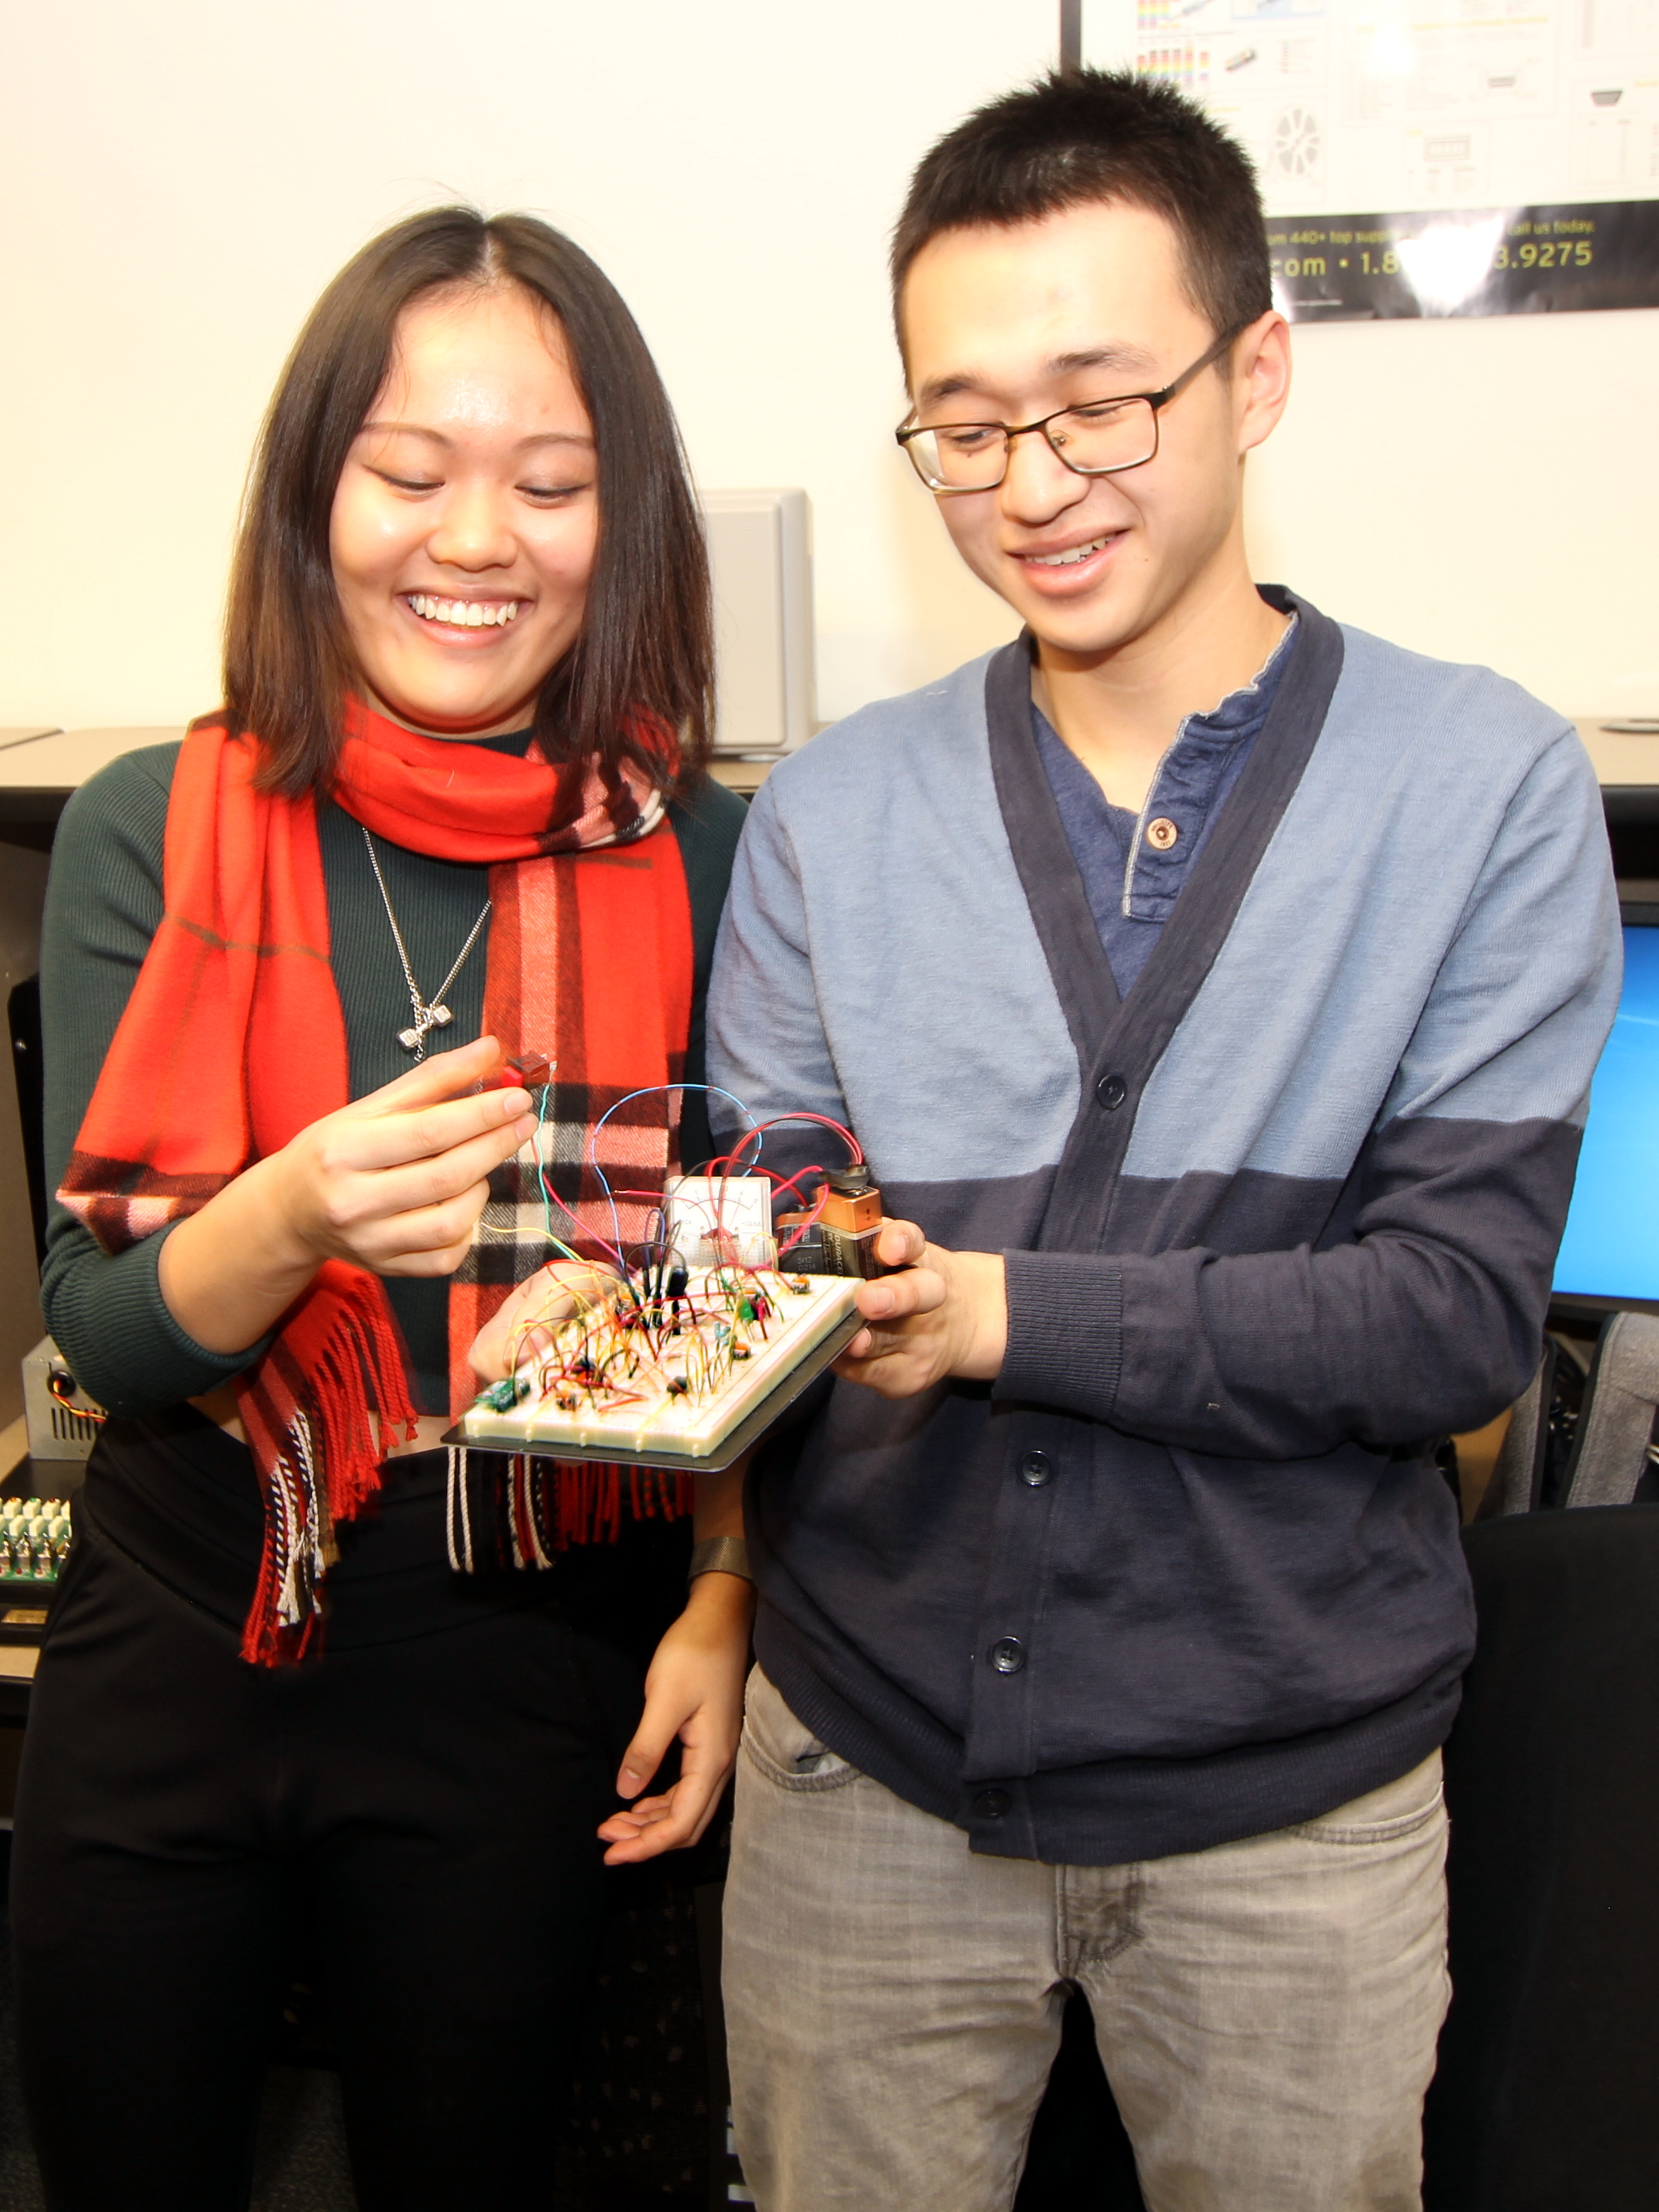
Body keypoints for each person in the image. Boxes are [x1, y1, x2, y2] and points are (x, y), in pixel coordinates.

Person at [707, 69, 1622, 2212]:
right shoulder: (827, 818)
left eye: (1100, 406)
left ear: (1254, 375)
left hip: (1291, 1810)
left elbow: (1449, 1322)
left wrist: (1001, 1313)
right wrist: (638, 1292)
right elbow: (772, 1220)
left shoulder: (1484, 792)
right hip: (867, 1775)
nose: (1033, 484)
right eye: (965, 427)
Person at [12, 208, 752, 2211]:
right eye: (410, 472)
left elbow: (751, 1275)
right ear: (313, 496)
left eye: (550, 485)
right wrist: (295, 1212)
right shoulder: (152, 825)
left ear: (624, 522)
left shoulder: (698, 848)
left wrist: (723, 1599)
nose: (475, 539)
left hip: (520, 1614)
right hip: (181, 1592)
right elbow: (104, 1335)